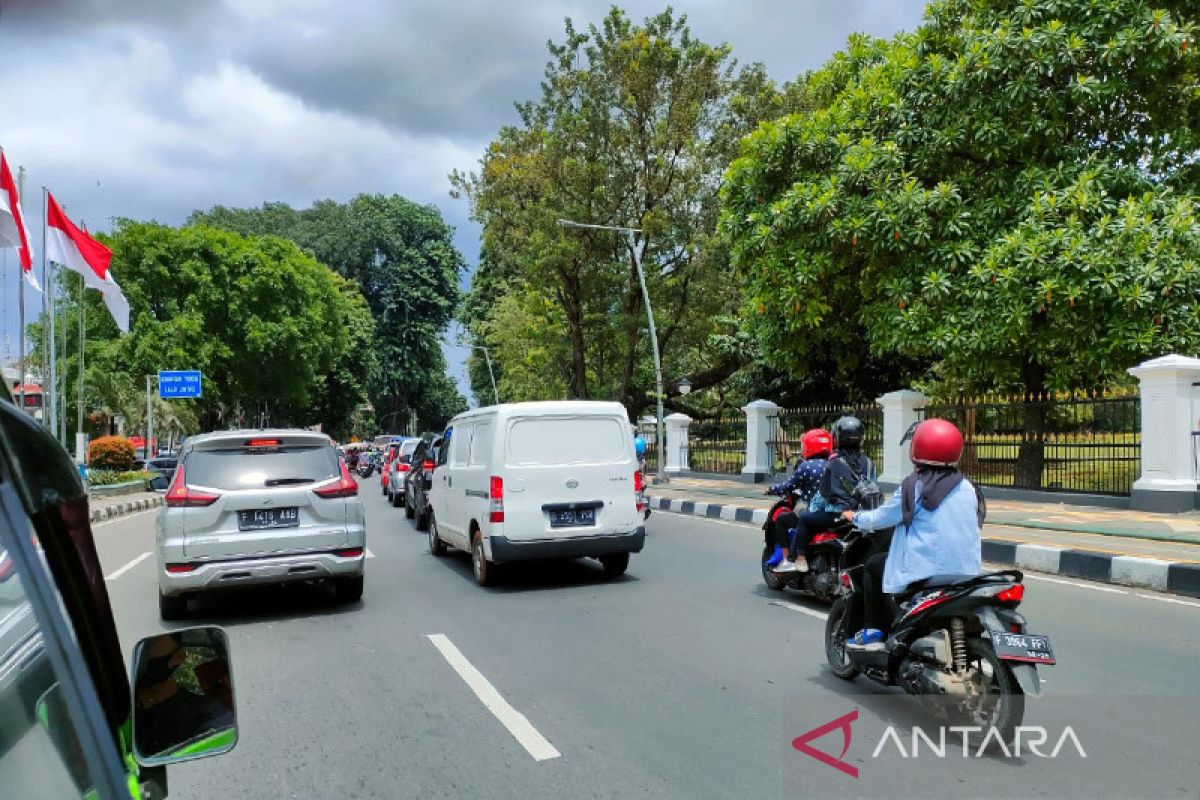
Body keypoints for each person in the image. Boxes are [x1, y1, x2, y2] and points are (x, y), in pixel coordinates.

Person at [842, 418, 986, 650]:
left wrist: (854, 517)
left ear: (916, 449)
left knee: (872, 567)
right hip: (967, 572)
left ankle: (873, 629)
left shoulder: (914, 486)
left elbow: (880, 518)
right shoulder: (968, 487)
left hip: (927, 571)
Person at [796, 416, 878, 559]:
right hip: (862, 514)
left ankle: (799, 558)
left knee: (804, 518)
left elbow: (823, 494)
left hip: (837, 515)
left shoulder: (835, 463)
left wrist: (811, 509)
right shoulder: (869, 463)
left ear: (836, 439)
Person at [765, 428, 832, 573]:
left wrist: (772, 489)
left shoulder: (806, 466)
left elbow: (789, 485)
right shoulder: (835, 464)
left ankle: (787, 559)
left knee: (783, 520)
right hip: (834, 513)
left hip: (810, 511)